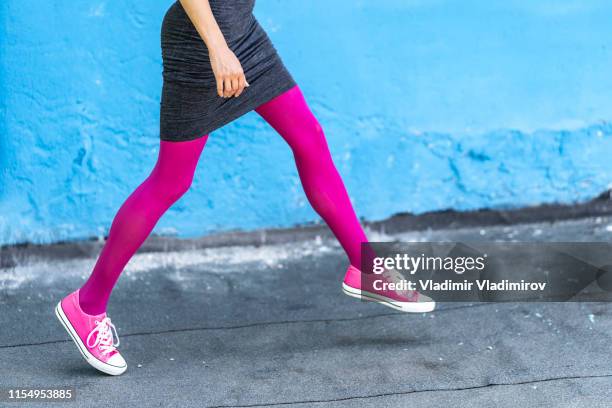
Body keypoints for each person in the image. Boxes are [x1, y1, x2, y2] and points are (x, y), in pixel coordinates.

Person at [54, 0, 435, 376]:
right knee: (171, 180)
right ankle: (86, 305)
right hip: (204, 42)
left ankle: (365, 266)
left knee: (310, 139)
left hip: (242, 33)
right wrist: (218, 49)